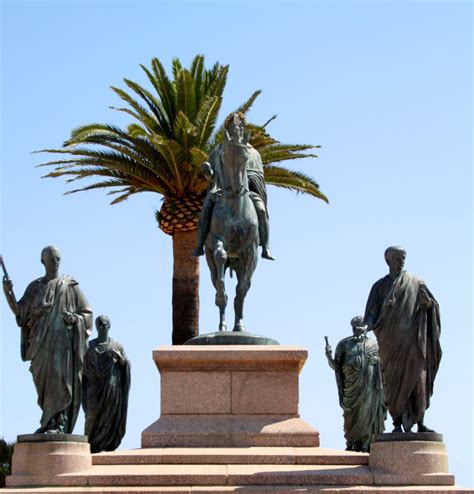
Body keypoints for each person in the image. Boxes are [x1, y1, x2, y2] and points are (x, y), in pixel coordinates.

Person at [2, 246, 92, 433]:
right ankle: (48, 422)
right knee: (43, 384)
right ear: (43, 261)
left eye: (57, 258)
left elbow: (86, 313)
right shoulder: (34, 288)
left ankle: (58, 423)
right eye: (51, 259)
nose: (55, 262)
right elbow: (21, 313)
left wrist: (75, 319)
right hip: (39, 346)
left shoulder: (69, 286)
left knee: (59, 382)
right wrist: (8, 293)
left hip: (62, 346)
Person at [364, 246, 442, 433]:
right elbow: (370, 315)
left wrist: (428, 305)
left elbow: (432, 307)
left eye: (403, 258)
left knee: (418, 380)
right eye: (398, 258)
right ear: (389, 260)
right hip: (390, 344)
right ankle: (397, 424)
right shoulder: (379, 287)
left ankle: (421, 422)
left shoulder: (416, 283)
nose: (402, 261)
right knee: (393, 384)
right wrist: (364, 328)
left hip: (414, 342)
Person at [194, 112, 274, 260]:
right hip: (220, 191)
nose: (237, 129)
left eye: (240, 126)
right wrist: (208, 172)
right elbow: (212, 172)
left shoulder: (253, 153)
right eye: (233, 126)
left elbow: (258, 176)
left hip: (247, 191)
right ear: (227, 128)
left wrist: (248, 179)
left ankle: (266, 246)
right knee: (206, 209)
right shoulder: (218, 150)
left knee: (261, 211)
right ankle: (199, 245)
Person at [325, 316, 386, 452]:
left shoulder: (375, 344)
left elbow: (385, 365)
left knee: (368, 412)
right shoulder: (344, 345)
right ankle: (352, 443)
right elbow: (336, 366)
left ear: (366, 329)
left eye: (361, 328)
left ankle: (366, 444)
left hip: (370, 387)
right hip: (351, 388)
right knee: (350, 416)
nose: (358, 331)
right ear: (352, 328)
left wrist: (376, 360)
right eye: (356, 328)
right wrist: (329, 357)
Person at [82, 315, 131, 453]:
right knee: (91, 416)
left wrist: (119, 357)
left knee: (110, 417)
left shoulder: (116, 345)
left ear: (109, 326)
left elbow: (126, 364)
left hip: (111, 387)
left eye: (104, 324)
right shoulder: (89, 346)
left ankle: (108, 444)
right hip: (94, 388)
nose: (101, 327)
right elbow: (81, 369)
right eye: (99, 324)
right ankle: (87, 446)